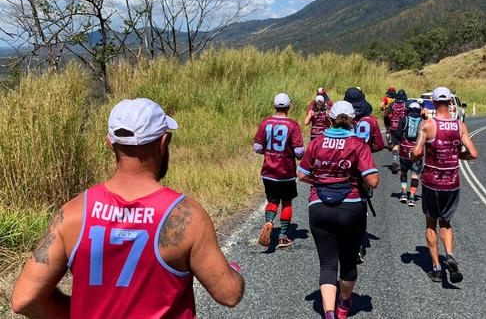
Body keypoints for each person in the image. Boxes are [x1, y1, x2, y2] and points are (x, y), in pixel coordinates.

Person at [11, 98, 245, 318]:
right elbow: (229, 294)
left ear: (109, 143)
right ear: (163, 143)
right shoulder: (186, 216)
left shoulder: (72, 214)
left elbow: (24, 299)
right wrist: (234, 273)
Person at [297, 101, 379, 319]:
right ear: (352, 120)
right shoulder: (358, 144)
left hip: (319, 207)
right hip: (351, 207)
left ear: (330, 119)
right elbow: (373, 180)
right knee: (349, 260)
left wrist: (323, 180)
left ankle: (330, 312)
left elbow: (302, 174)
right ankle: (343, 305)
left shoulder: (317, 142)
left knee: (327, 263)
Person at [411, 87, 478, 284]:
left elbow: (416, 152)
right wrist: (458, 155)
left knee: (431, 222)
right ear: (450, 102)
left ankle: (437, 269)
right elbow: (473, 153)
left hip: (432, 181)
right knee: (446, 222)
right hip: (452, 182)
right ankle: (449, 254)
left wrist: (413, 155)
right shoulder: (460, 126)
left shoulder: (428, 125)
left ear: (432, 101)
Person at [254, 93, 304, 248]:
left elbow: (257, 147)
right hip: (286, 172)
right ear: (289, 106)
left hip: (268, 171)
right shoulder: (293, 125)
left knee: (272, 201)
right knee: (287, 202)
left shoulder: (266, 122)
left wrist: (268, 153)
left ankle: (269, 222)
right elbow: (299, 152)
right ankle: (283, 236)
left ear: (274, 106)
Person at [344, 87, 385, 264]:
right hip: (364, 167)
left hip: (344, 165)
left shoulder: (343, 118)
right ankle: (358, 244)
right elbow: (379, 144)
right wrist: (367, 151)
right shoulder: (371, 121)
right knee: (361, 206)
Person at [394, 101, 424, 207]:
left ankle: (403, 193)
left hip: (405, 150)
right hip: (417, 149)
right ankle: (412, 196)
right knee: (415, 174)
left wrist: (397, 144)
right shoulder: (423, 121)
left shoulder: (404, 120)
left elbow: (397, 134)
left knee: (403, 172)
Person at [344, 87, 385, 153]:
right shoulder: (371, 120)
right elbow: (379, 145)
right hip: (363, 158)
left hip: (343, 158)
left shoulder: (341, 119)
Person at [385, 89, 408, 174]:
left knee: (395, 144)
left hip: (394, 126)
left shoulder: (393, 104)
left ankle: (394, 161)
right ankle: (405, 163)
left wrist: (391, 117)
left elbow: (386, 114)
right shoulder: (406, 104)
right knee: (404, 144)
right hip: (403, 127)